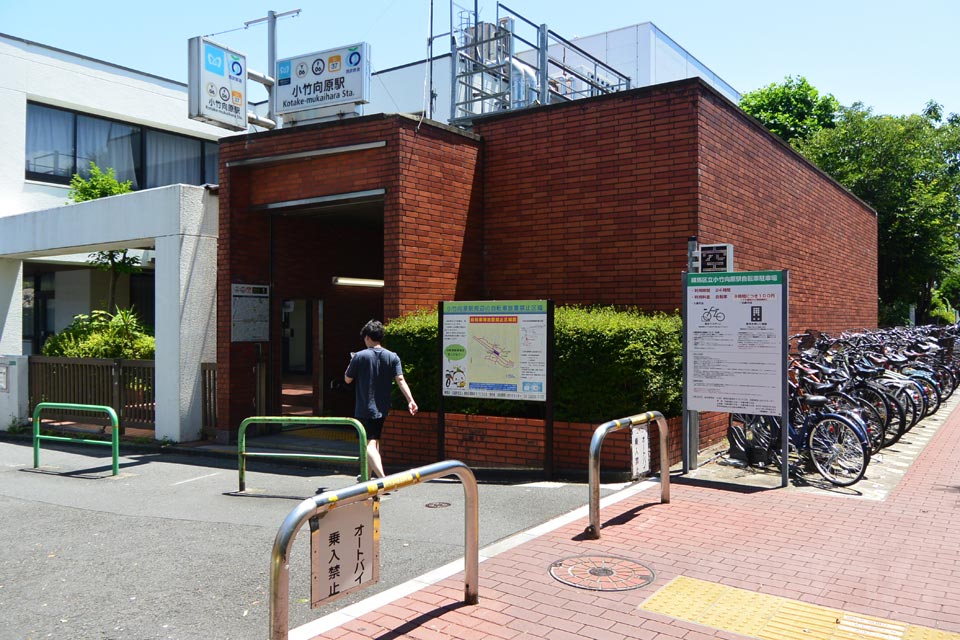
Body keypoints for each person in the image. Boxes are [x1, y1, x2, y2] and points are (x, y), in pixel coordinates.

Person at [344, 319, 418, 479]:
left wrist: (352, 362)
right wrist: (410, 400)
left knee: (368, 444)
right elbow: (400, 379)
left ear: (368, 337)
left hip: (364, 408)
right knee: (375, 441)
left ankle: (383, 478)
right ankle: (367, 476)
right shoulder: (392, 357)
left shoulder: (359, 356)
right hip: (382, 407)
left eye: (364, 337)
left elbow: (347, 379)